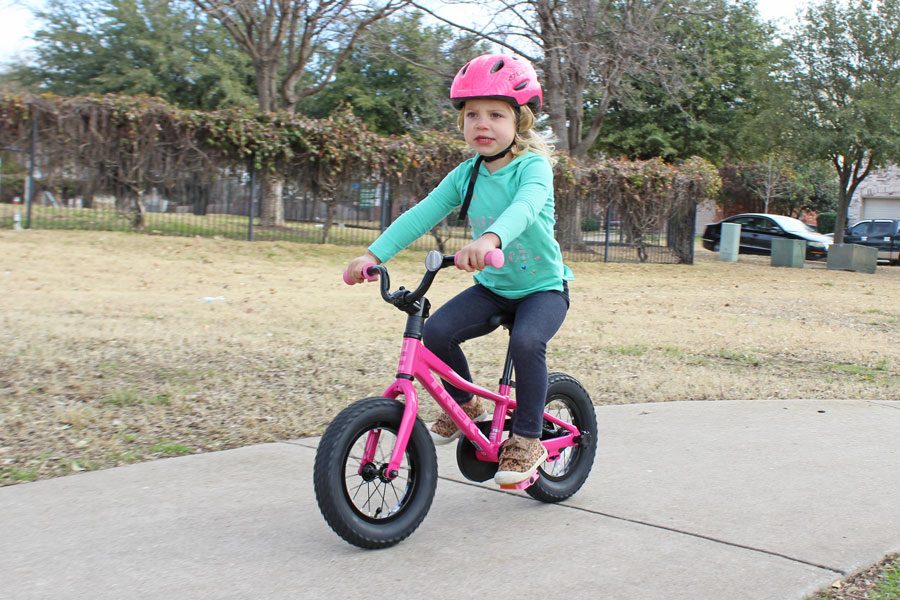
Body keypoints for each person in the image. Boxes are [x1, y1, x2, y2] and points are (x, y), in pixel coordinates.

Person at [344, 53, 572, 486]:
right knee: (435, 332)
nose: (481, 124)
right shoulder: (466, 175)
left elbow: (524, 209)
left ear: (520, 122)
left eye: (495, 114)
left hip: (543, 287)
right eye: (472, 115)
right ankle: (467, 403)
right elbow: (421, 213)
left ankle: (526, 439)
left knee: (527, 342)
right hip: (494, 286)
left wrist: (489, 240)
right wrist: (374, 255)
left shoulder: (533, 167)